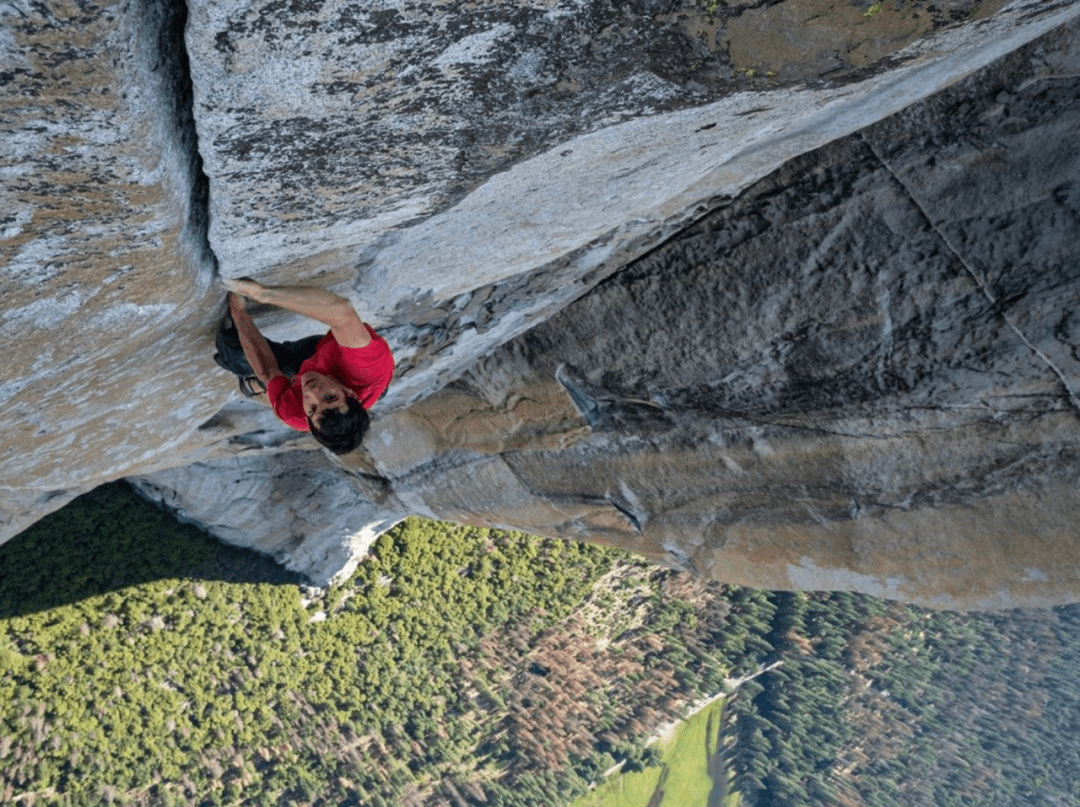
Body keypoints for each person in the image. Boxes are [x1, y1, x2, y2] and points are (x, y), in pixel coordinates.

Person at [214, 278, 394, 454]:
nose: (312, 391)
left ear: (307, 420)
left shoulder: (295, 414)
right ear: (350, 393)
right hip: (325, 355)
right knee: (294, 369)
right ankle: (263, 387)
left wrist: (238, 312)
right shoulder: (366, 370)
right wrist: (262, 293)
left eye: (313, 408)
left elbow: (268, 371)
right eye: (330, 397)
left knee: (231, 348)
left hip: (316, 368)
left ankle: (259, 387)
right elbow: (343, 314)